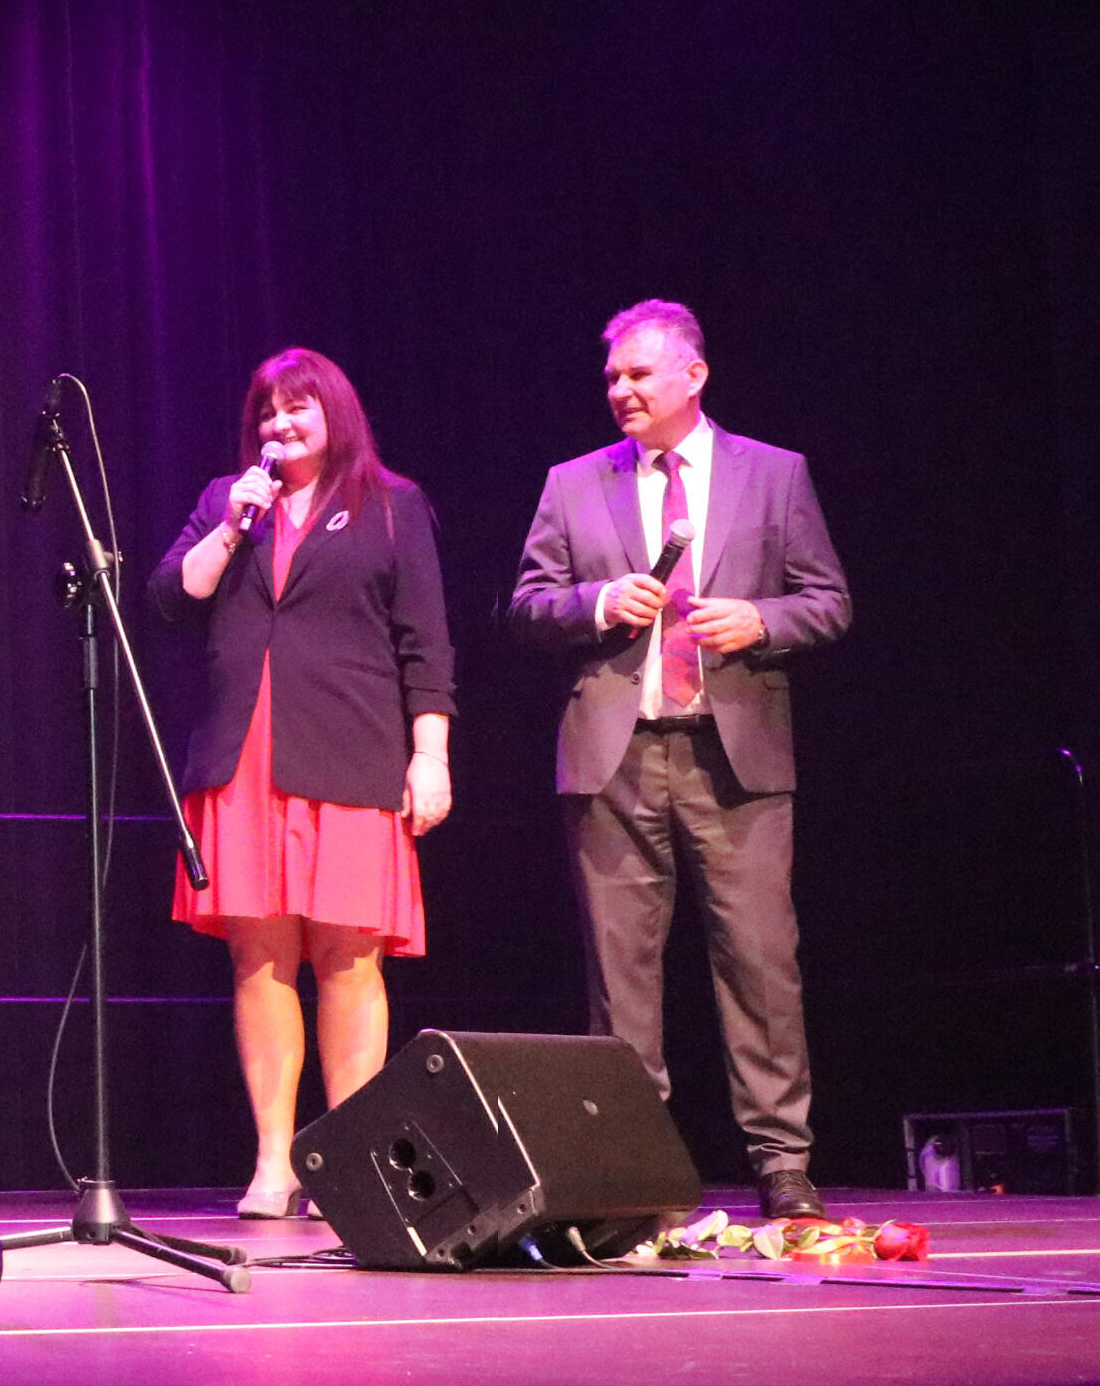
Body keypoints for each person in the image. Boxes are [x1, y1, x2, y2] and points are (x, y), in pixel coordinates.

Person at [508, 299, 852, 1220]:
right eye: (612, 378)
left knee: (761, 965)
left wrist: (761, 621)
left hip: (734, 757)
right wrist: (595, 603)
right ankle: (634, 1173)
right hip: (615, 758)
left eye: (638, 374)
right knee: (619, 978)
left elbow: (829, 600)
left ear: (693, 376)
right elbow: (528, 604)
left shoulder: (774, 475)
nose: (619, 391)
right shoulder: (573, 483)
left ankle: (782, 1162)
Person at [147, 348, 456, 1221]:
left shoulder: (391, 504)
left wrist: (429, 755)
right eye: (268, 412)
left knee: (350, 959)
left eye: (298, 408)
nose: (280, 425)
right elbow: (170, 597)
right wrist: (230, 528)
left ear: (334, 414)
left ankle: (351, 1162)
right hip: (243, 755)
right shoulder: (228, 499)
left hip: (351, 751)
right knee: (260, 958)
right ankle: (276, 1161)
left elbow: (426, 642)